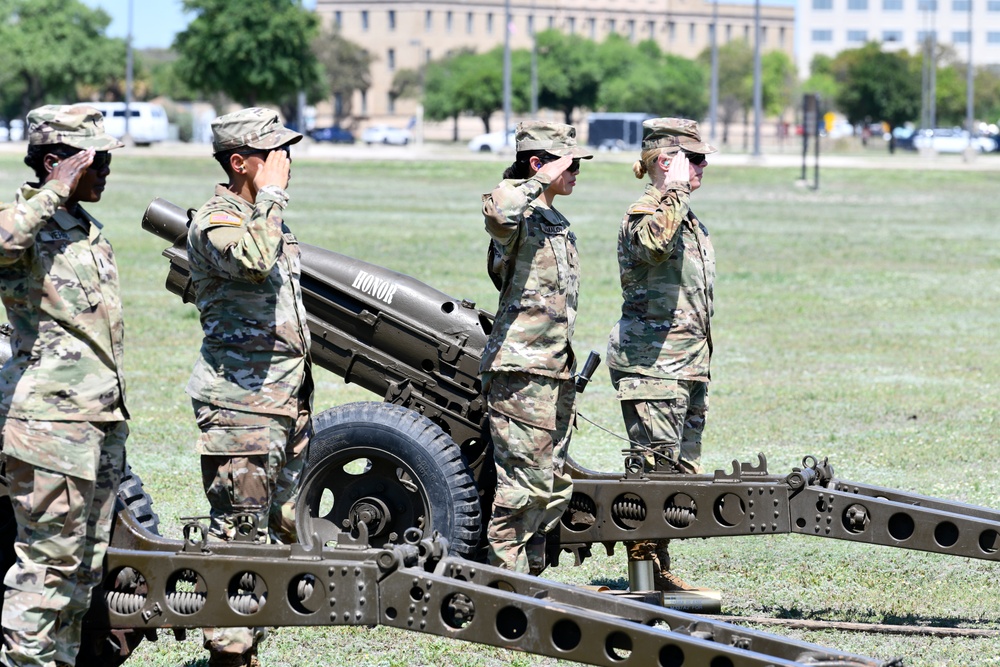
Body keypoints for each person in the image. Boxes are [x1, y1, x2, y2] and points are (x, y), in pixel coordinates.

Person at [0, 105, 128, 667]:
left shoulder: (84, 229)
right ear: (57, 162)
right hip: (49, 425)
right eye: (94, 160)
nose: (105, 171)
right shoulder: (23, 219)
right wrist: (52, 190)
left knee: (82, 567)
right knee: (45, 566)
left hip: (97, 418)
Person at [186, 108, 312, 667]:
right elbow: (255, 261)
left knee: (271, 540)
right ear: (241, 163)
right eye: (273, 154)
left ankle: (246, 651)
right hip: (241, 409)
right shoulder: (217, 220)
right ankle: (228, 658)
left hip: (281, 403)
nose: (286, 162)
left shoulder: (261, 217)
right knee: (239, 540)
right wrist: (273, 198)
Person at [606, 117, 717, 592]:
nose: (704, 167)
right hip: (653, 368)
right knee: (652, 478)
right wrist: (673, 192)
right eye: (695, 158)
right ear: (666, 162)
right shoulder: (647, 212)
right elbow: (653, 247)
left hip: (684, 366)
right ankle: (645, 579)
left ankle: (658, 572)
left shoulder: (684, 216)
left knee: (676, 479)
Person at [480, 121, 593, 574]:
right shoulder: (517, 214)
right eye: (570, 163)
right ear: (537, 164)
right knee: (522, 484)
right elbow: (498, 212)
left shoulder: (553, 220)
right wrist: (535, 181)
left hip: (553, 368)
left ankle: (529, 578)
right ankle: (505, 586)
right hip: (520, 369)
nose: (576, 172)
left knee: (552, 482)